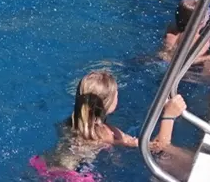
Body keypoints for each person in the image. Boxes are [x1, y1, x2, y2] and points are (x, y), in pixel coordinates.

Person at [31, 71, 187, 179]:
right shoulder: (107, 133)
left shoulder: (69, 122)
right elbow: (157, 147)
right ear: (109, 104)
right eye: (116, 94)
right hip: (75, 176)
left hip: (45, 165)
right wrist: (168, 116)